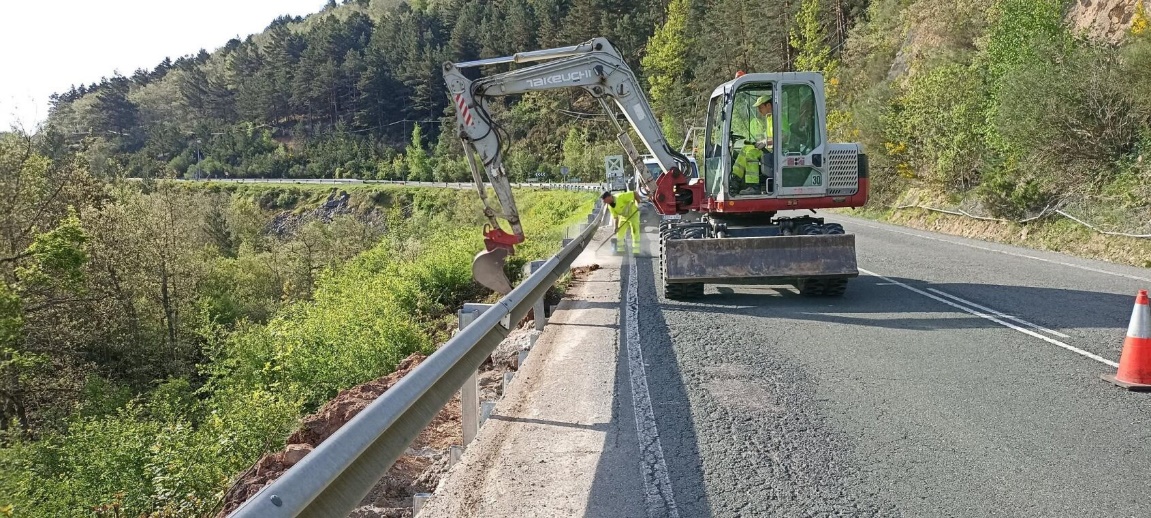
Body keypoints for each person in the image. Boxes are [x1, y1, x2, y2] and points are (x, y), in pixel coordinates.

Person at [732, 94, 774, 195]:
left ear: (768, 105)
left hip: (776, 151)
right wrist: (762, 141)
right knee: (745, 149)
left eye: (761, 107)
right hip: (770, 148)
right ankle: (734, 181)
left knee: (751, 153)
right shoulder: (769, 118)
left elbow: (783, 137)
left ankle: (754, 187)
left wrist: (764, 142)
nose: (759, 110)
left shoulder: (779, 118)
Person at [602, 190, 641, 256]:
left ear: (610, 197)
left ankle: (636, 251)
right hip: (624, 216)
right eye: (605, 201)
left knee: (634, 231)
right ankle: (620, 250)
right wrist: (615, 227)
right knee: (619, 232)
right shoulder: (610, 206)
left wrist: (639, 203)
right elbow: (615, 217)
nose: (606, 202)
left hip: (633, 214)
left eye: (606, 200)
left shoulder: (620, 197)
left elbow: (634, 193)